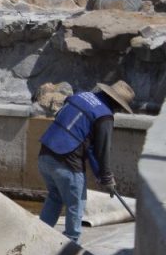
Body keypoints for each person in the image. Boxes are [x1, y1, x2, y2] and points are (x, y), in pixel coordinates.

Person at [37, 81, 134, 243]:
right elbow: (102, 151)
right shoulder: (104, 117)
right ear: (117, 103)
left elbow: (89, 147)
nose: (118, 111)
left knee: (55, 196)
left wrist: (101, 176)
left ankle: (36, 236)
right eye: (120, 108)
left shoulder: (81, 96)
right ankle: (70, 246)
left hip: (45, 154)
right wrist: (108, 178)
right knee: (76, 204)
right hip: (67, 162)